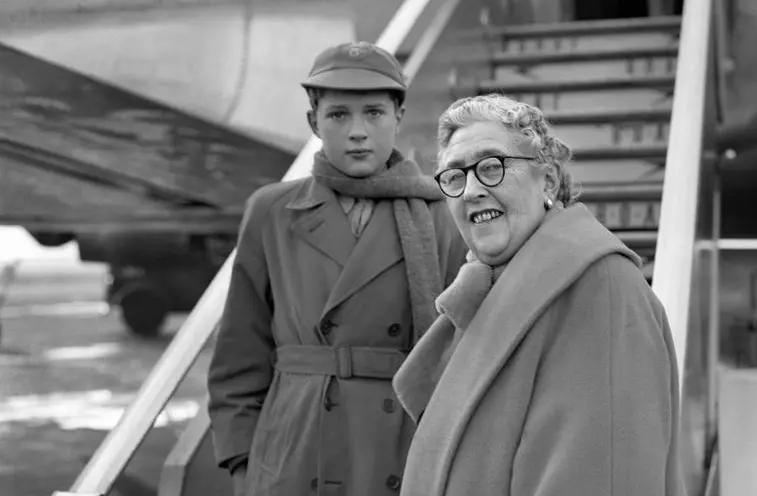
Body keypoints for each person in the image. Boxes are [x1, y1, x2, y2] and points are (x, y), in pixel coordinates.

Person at [207, 41, 468, 496]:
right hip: (292, 449)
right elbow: (239, 353)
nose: (358, 132)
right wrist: (243, 466)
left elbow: (459, 354)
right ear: (314, 122)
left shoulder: (438, 215)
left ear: (398, 117)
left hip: (395, 446)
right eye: (338, 115)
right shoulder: (272, 211)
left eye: (373, 113)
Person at [393, 94, 685, 496]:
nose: (471, 190)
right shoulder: (492, 290)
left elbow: (604, 477)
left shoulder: (602, 290)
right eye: (455, 176)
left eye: (492, 166)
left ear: (547, 180)